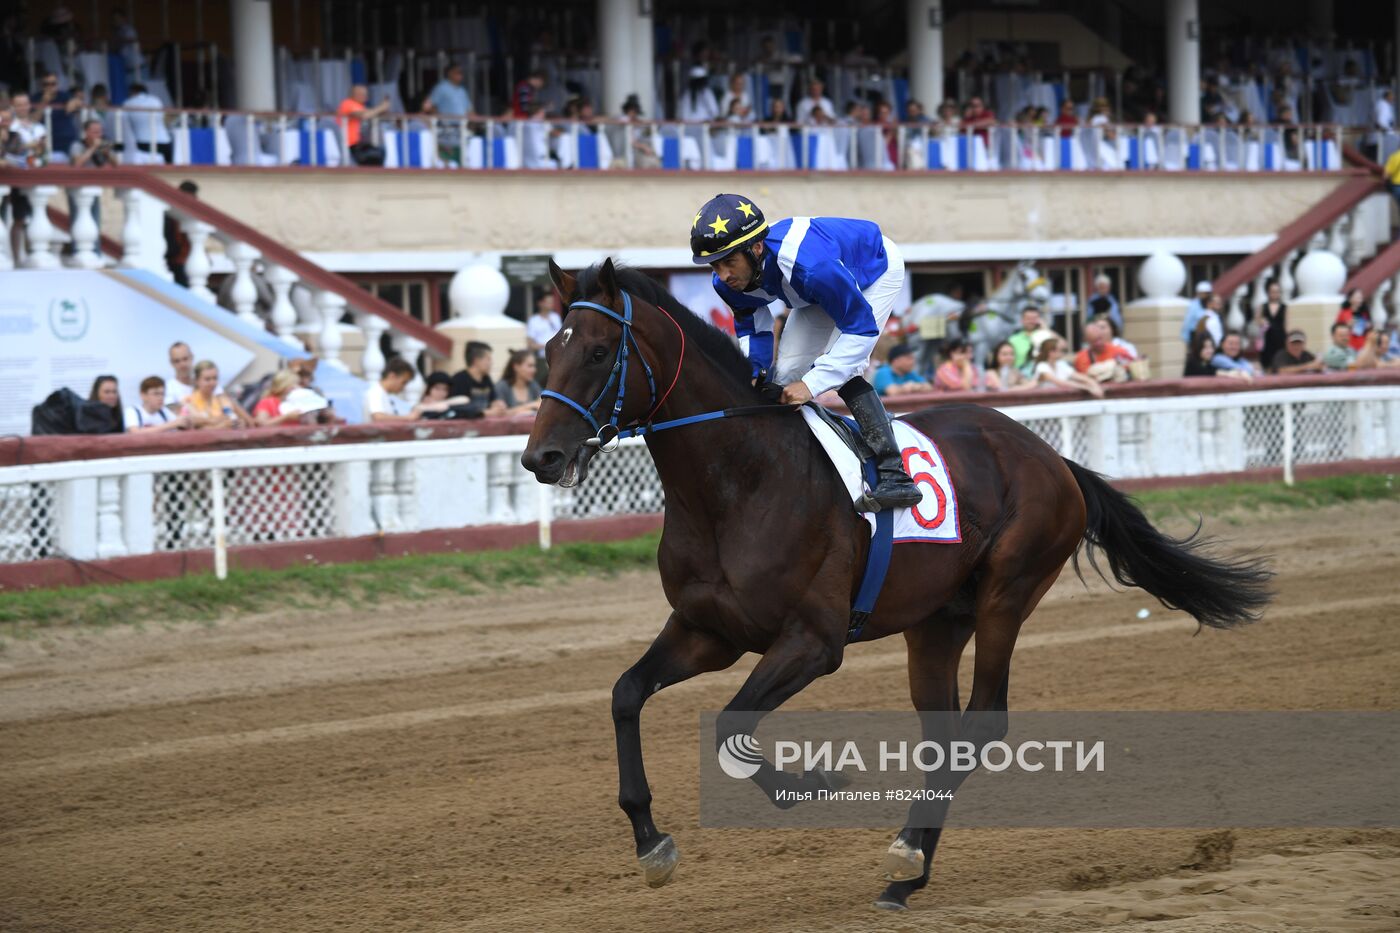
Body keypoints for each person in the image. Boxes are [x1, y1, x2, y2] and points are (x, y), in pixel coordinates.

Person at [691, 192, 923, 509]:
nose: (723, 276)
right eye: (715, 266)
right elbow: (754, 328)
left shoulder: (812, 267)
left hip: (871, 272)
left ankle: (896, 474)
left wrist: (811, 385)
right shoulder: (730, 282)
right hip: (811, 293)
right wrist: (756, 374)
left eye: (729, 262)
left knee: (844, 369)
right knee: (783, 376)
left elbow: (862, 329)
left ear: (756, 248)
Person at [365, 357, 451, 422]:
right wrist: (409, 418)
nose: (404, 387)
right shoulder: (375, 392)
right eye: (403, 382)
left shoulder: (384, 394)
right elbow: (378, 418)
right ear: (392, 376)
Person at [181, 361, 252, 428]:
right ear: (197, 381)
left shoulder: (223, 400)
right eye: (207, 379)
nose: (212, 383)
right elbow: (199, 428)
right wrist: (223, 425)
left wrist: (242, 423)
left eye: (215, 378)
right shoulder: (188, 401)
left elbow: (250, 422)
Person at [449, 341, 507, 416]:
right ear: (476, 360)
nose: (491, 363)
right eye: (488, 359)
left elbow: (494, 399)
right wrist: (484, 413)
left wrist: (498, 404)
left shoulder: (486, 379)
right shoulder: (459, 379)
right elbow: (457, 408)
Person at [1032, 337, 1104, 398]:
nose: (1063, 353)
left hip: (1061, 400)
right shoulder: (1042, 366)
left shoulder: (1061, 364)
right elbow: (1060, 383)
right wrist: (1088, 388)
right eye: (1061, 350)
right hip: (1047, 402)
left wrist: (1094, 384)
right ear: (1051, 352)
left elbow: (1079, 377)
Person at [337, 84, 389, 164]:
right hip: (351, 145)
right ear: (353, 94)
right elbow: (365, 115)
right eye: (361, 94)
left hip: (361, 144)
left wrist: (383, 109)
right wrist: (381, 108)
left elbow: (372, 113)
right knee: (375, 155)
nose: (364, 96)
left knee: (380, 151)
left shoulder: (360, 106)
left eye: (365, 94)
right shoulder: (348, 103)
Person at [124, 83, 173, 162]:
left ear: (132, 92)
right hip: (164, 143)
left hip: (143, 144)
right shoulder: (156, 100)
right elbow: (164, 119)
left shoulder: (128, 103)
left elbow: (124, 125)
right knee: (169, 171)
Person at [1007, 305, 1054, 370]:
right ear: (1022, 320)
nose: (1031, 321)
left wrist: (1045, 328)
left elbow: (1062, 346)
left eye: (1034, 319)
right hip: (1020, 375)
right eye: (1028, 318)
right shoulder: (1012, 339)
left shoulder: (1045, 335)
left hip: (1042, 374)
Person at [1257, 279, 1287, 368]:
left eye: (1277, 292)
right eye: (1272, 291)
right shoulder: (1263, 306)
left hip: (1280, 338)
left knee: (1280, 362)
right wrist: (1262, 321)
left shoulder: (1284, 307)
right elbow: (1258, 320)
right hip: (1267, 339)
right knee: (1267, 363)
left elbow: (1286, 324)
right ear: (1268, 292)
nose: (1275, 294)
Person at [164, 341, 203, 407]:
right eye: (177, 361)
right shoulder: (168, 389)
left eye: (185, 359)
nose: (182, 364)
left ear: (192, 357)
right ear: (171, 363)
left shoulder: (208, 383)